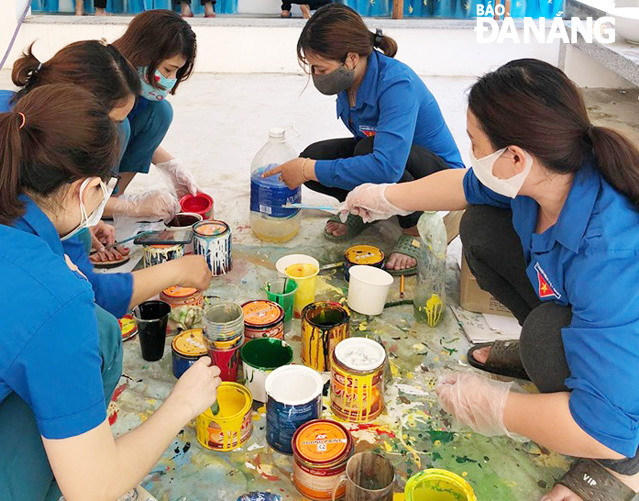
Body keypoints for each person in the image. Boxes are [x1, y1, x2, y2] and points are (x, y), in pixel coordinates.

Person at [344, 59, 639, 500]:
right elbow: (463, 186)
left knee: (547, 340)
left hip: (628, 369)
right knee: (480, 227)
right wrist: (385, 196)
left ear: (516, 156)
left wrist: (498, 407)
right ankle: (553, 361)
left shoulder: (612, 252)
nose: (473, 157)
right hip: (594, 320)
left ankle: (624, 471)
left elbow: (606, 430)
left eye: (475, 144)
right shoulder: (543, 175)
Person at [0, 84, 221, 501]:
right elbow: (93, 490)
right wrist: (181, 404)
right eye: (107, 191)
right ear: (88, 190)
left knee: (99, 329)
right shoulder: (54, 298)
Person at [0, 40, 200, 320]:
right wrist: (175, 271)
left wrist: (80, 224)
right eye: (111, 124)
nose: (114, 136)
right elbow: (88, 294)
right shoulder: (38, 172)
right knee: (103, 329)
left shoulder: (8, 113)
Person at [266, 4, 463, 275]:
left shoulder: (396, 84)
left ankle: (414, 229)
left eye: (320, 68)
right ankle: (363, 209)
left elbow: (387, 167)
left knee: (354, 154)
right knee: (316, 154)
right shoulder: (349, 82)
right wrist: (309, 166)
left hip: (436, 175)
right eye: (312, 67)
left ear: (351, 59)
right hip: (392, 158)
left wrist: (305, 169)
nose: (316, 75)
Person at [109, 9, 200, 220]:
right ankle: (95, 205)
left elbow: (136, 129)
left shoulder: (133, 85)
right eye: (168, 70)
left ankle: (110, 199)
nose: (171, 80)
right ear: (144, 55)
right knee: (120, 126)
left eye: (177, 72)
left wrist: (170, 165)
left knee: (159, 111)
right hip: (66, 179)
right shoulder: (103, 82)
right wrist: (132, 207)